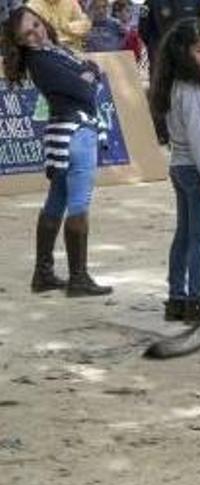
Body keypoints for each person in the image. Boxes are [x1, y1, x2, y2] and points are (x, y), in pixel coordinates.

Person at [2, 6, 113, 297]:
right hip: (77, 132)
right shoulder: (42, 60)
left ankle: (44, 273)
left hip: (64, 132)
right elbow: (86, 89)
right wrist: (89, 71)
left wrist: (88, 73)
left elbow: (88, 78)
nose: (36, 32)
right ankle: (78, 278)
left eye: (36, 24)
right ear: (21, 42)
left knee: (58, 199)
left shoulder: (51, 53)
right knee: (78, 202)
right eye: (28, 32)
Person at [150, 19, 200, 322]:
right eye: (199, 50)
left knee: (183, 235)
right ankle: (195, 300)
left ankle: (175, 298)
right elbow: (199, 137)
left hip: (179, 166)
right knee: (199, 238)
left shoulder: (171, 85)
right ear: (183, 52)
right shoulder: (190, 90)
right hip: (195, 168)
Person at [26, 0, 92, 51]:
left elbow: (85, 23)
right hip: (50, 52)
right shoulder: (32, 7)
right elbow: (34, 38)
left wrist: (69, 27)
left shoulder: (70, 2)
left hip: (76, 50)